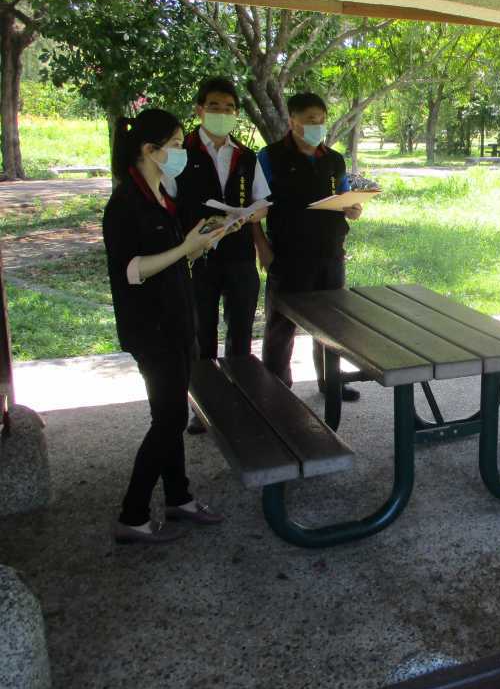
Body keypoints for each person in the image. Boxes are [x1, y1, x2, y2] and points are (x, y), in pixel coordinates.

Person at [103, 109, 233, 544]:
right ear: (149, 150)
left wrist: (199, 245)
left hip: (178, 320)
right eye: (175, 144)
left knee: (170, 413)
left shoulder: (164, 196)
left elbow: (174, 258)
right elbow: (132, 270)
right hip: (150, 328)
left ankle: (179, 498)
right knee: (170, 418)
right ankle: (133, 514)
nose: (181, 152)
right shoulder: (125, 204)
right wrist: (185, 249)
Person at [168, 77, 270, 434]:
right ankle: (204, 405)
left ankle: (240, 395)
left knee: (241, 330)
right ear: (199, 110)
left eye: (229, 108)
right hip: (198, 258)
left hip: (239, 256)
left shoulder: (246, 155)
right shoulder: (181, 154)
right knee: (202, 331)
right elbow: (168, 202)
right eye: (214, 106)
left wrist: (250, 215)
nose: (222, 113)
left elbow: (261, 202)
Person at [259, 92, 364, 399]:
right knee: (281, 326)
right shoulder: (270, 157)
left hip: (330, 253)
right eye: (309, 121)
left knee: (331, 324)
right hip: (288, 255)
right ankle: (276, 387)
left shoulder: (334, 159)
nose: (317, 126)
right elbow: (255, 206)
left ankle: (331, 381)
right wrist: (261, 247)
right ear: (292, 122)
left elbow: (344, 198)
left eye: (320, 120)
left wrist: (353, 209)